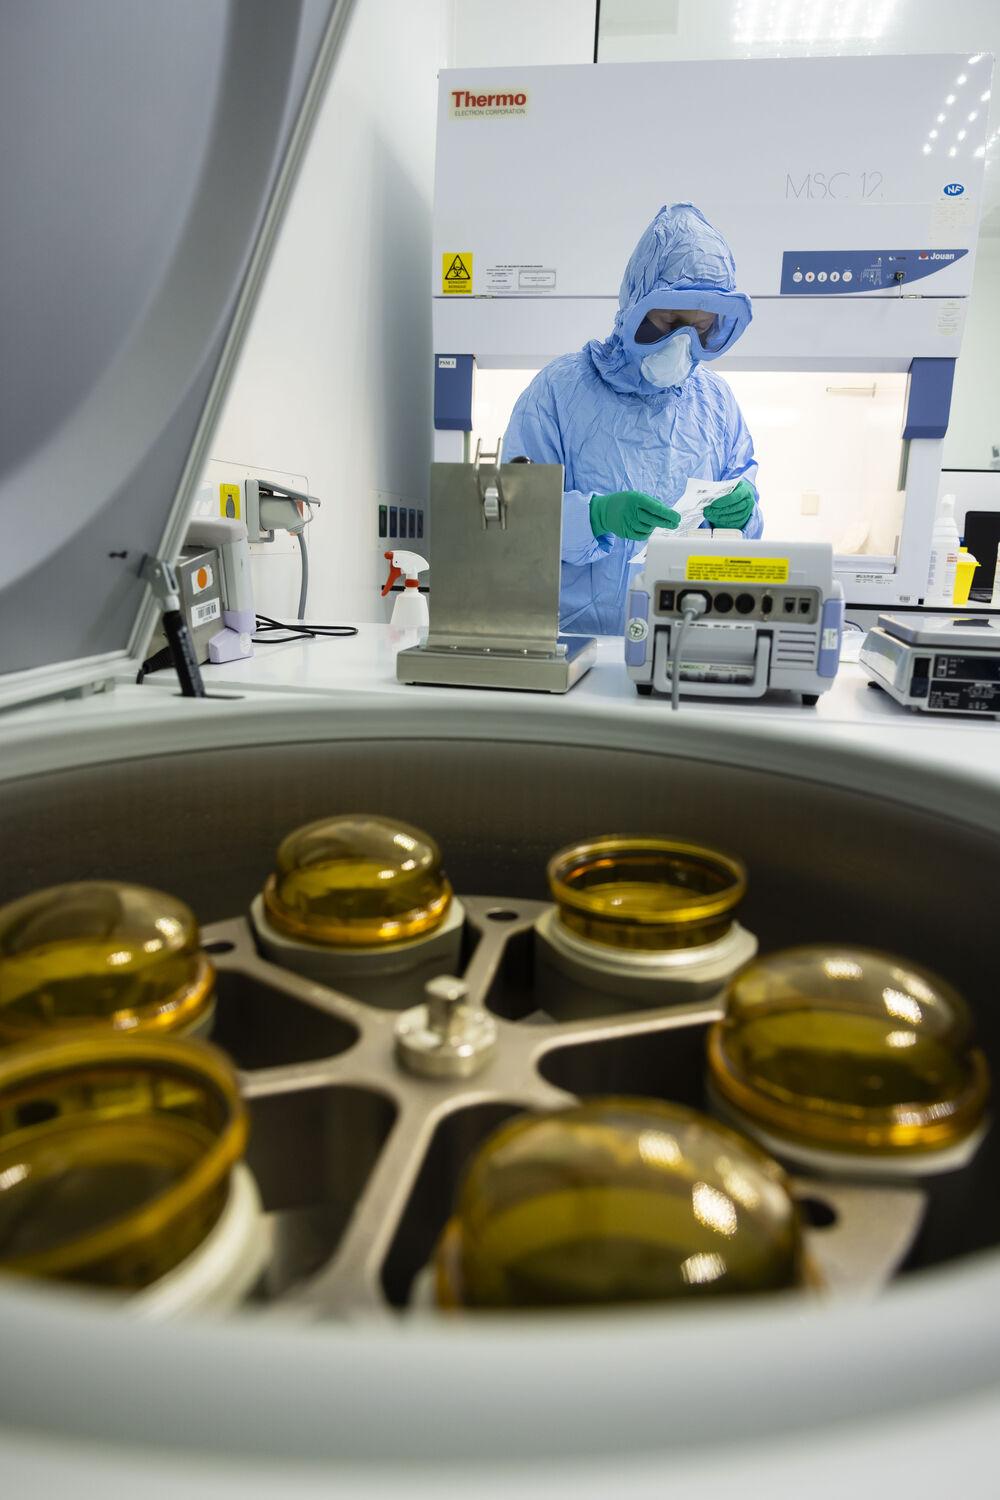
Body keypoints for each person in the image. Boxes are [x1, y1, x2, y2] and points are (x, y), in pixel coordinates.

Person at [504, 203, 761, 636]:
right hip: (571, 646)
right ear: (636, 306)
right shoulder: (558, 392)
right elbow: (515, 519)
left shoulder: (716, 404)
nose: (682, 342)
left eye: (700, 328)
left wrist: (741, 516)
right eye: (670, 321)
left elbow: (742, 530)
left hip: (680, 647)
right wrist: (595, 516)